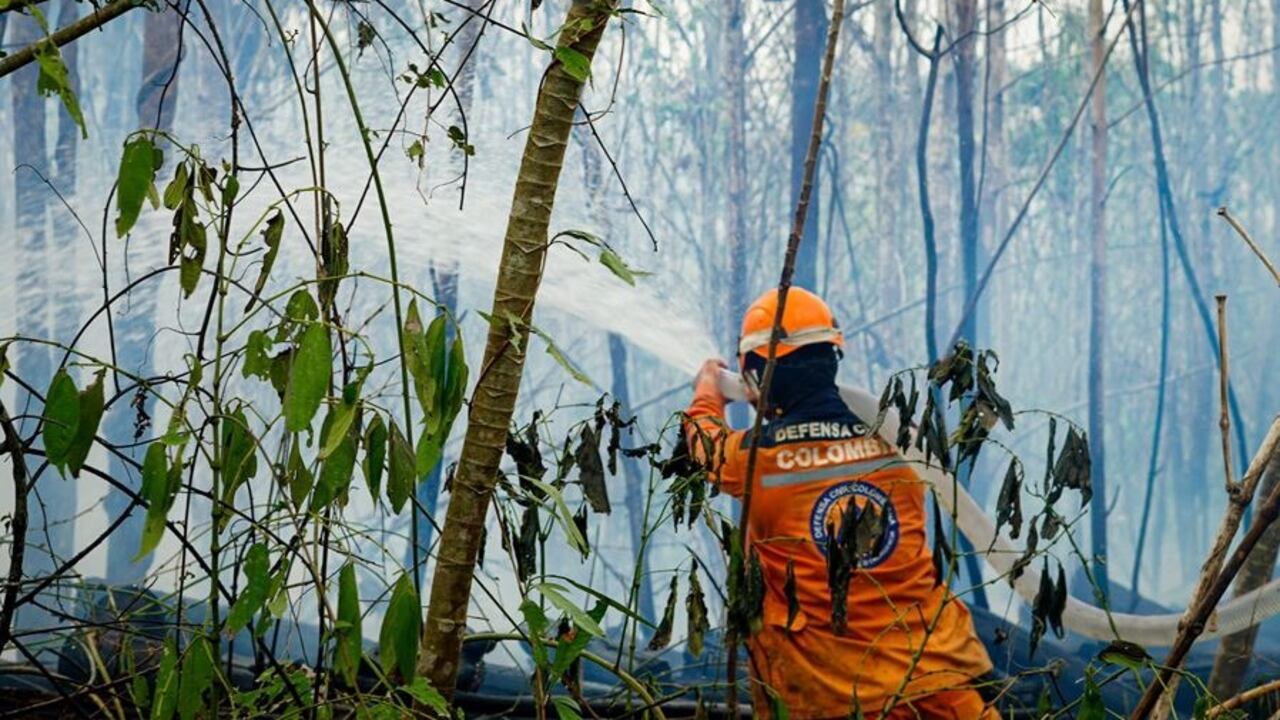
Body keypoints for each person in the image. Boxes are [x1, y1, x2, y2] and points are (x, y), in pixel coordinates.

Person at [685, 287, 996, 720]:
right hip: (938, 685)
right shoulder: (901, 448)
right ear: (833, 357)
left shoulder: (754, 460)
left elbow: (703, 446)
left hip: (833, 695)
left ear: (756, 376)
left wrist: (707, 390)